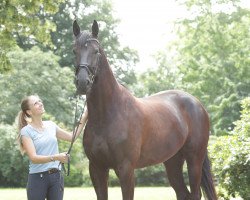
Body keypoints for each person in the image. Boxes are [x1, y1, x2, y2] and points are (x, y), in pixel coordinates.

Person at [17, 94, 88, 200]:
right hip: (37, 178)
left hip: (56, 177)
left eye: (40, 101)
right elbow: (34, 158)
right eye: (36, 103)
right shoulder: (26, 131)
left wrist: (85, 115)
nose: (40, 104)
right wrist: (56, 157)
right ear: (29, 112)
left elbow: (71, 137)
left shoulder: (51, 125)